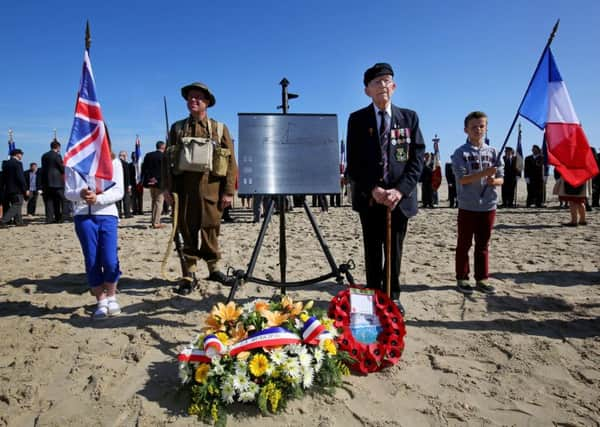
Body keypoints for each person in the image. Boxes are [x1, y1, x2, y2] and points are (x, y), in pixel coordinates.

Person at [346, 63, 425, 315]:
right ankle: (372, 295)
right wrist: (374, 189)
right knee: (372, 249)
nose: (382, 85)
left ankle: (393, 296)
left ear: (394, 86)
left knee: (394, 250)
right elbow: (354, 162)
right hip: (371, 199)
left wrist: (399, 190)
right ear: (367, 90)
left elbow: (417, 158)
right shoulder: (357, 120)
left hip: (399, 200)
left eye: (387, 81)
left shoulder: (409, 117)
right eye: (376, 82)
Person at [165, 82, 238, 294]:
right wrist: (167, 189)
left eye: (198, 98)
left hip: (212, 191)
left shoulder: (219, 128)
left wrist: (228, 192)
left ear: (207, 102)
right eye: (190, 98)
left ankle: (214, 268)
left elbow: (231, 162)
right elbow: (167, 161)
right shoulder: (177, 128)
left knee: (211, 229)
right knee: (186, 231)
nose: (193, 101)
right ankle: (188, 275)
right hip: (184, 192)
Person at [65, 151, 124, 319]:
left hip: (107, 214)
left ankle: (112, 296)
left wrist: (98, 199)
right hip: (83, 215)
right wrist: (80, 194)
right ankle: (101, 300)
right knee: (92, 259)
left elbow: (119, 191)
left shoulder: (114, 161)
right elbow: (68, 192)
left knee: (110, 260)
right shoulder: (72, 162)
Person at [451, 111, 503, 295]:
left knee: (483, 244)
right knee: (464, 244)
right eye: (474, 127)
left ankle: (482, 278)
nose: (478, 130)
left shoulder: (494, 152)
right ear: (466, 129)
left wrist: (494, 181)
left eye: (481, 126)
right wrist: (484, 173)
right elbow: (462, 179)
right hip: (467, 205)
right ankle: (462, 277)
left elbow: (501, 178)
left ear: (486, 128)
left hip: (488, 205)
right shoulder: (460, 153)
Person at [0, 149, 29, 227]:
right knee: (17, 204)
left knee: (16, 205)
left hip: (7, 188)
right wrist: (25, 188)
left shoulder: (5, 164)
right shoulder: (17, 164)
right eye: (21, 154)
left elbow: (3, 177)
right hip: (17, 189)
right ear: (17, 154)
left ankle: (19, 221)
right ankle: (3, 220)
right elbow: (20, 177)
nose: (22, 156)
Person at [141, 141, 166, 228]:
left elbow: (143, 168)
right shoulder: (163, 156)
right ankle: (156, 222)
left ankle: (153, 221)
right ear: (163, 146)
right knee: (159, 202)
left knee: (154, 201)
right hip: (160, 182)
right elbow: (164, 170)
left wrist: (145, 179)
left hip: (150, 181)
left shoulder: (148, 155)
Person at [40, 139, 66, 223]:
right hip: (57, 181)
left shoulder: (44, 155)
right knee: (63, 199)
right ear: (58, 147)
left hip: (46, 181)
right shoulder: (57, 156)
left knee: (49, 201)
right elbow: (60, 167)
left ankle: (49, 218)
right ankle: (62, 217)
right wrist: (64, 171)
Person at [116, 151, 133, 218]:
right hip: (124, 184)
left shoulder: (115, 163)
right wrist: (129, 185)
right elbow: (127, 175)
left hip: (116, 184)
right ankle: (127, 213)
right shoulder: (125, 164)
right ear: (124, 156)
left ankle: (119, 213)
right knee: (126, 200)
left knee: (118, 201)